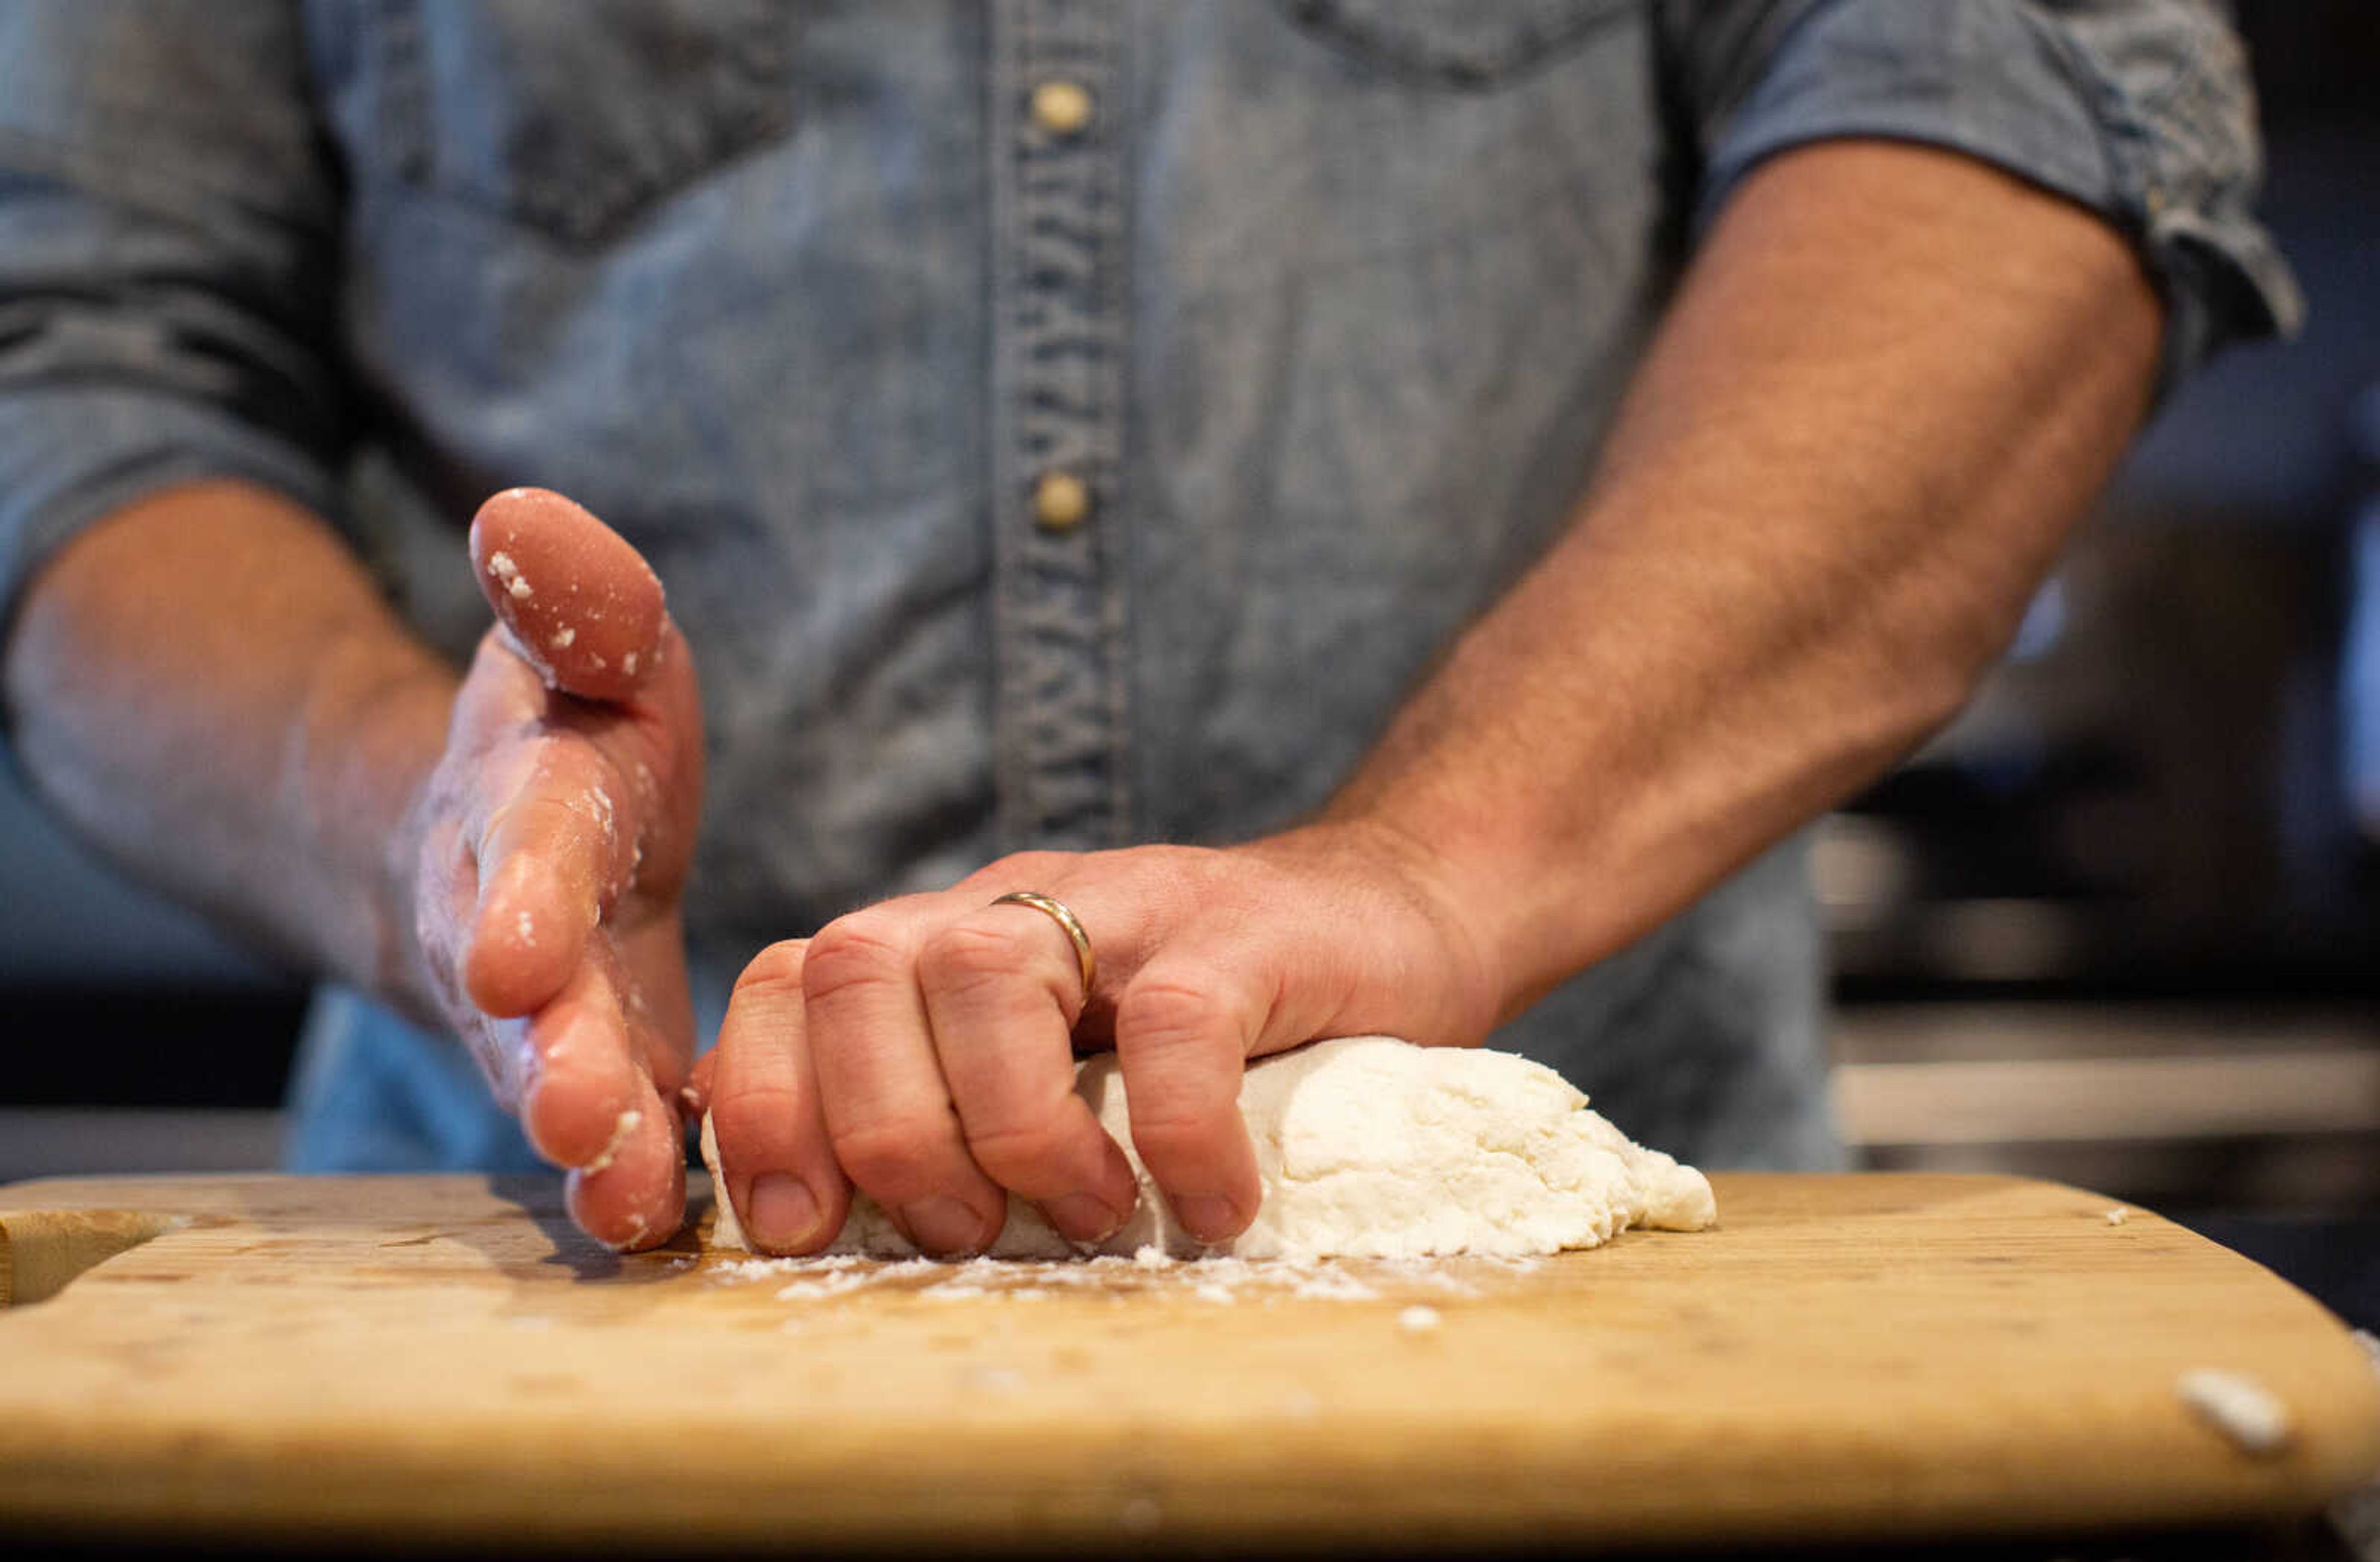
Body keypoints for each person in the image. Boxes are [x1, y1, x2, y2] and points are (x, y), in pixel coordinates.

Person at [0, 2, 2295, 1253]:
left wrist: (1436, 865)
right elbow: (73, 368)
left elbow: (2030, 87)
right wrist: (433, 830)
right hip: (545, 1289)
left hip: (1580, 1379)